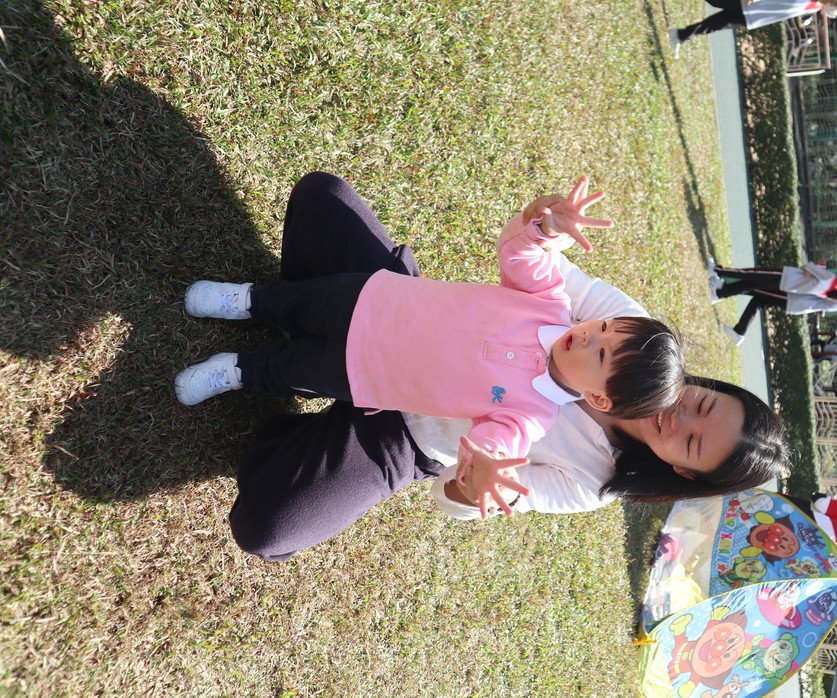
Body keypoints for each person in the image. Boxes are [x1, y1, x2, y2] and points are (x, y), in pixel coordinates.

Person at [217, 173, 791, 561]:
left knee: (267, 529)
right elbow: (546, 272)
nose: (677, 418)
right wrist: (546, 226)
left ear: (683, 473)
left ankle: (293, 411)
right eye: (701, 404)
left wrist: (472, 488)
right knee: (322, 198)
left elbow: (455, 499)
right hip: (408, 333)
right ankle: (311, 325)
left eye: (691, 442)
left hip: (403, 436)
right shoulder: (633, 334)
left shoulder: (593, 483)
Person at [176, 180, 686, 515]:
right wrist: (544, 227)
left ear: (599, 398)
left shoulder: (532, 418)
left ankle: (237, 370)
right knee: (297, 302)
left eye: (601, 355)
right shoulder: (550, 302)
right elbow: (521, 255)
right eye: (604, 327)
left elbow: (494, 444)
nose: (590, 335)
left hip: (363, 373)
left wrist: (484, 468)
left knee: (292, 370)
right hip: (374, 300)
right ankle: (247, 300)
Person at [708, 260, 837, 345]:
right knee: (756, 295)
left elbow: (810, 268)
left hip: (790, 292)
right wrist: (815, 271)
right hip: (792, 295)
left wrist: (816, 268)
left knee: (753, 280)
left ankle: (718, 277)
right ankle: (722, 294)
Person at [667, 0, 837, 57]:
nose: (835, 12)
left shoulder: (816, 6)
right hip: (751, 4)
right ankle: (679, 36)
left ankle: (679, 36)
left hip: (755, 15)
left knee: (716, 23)